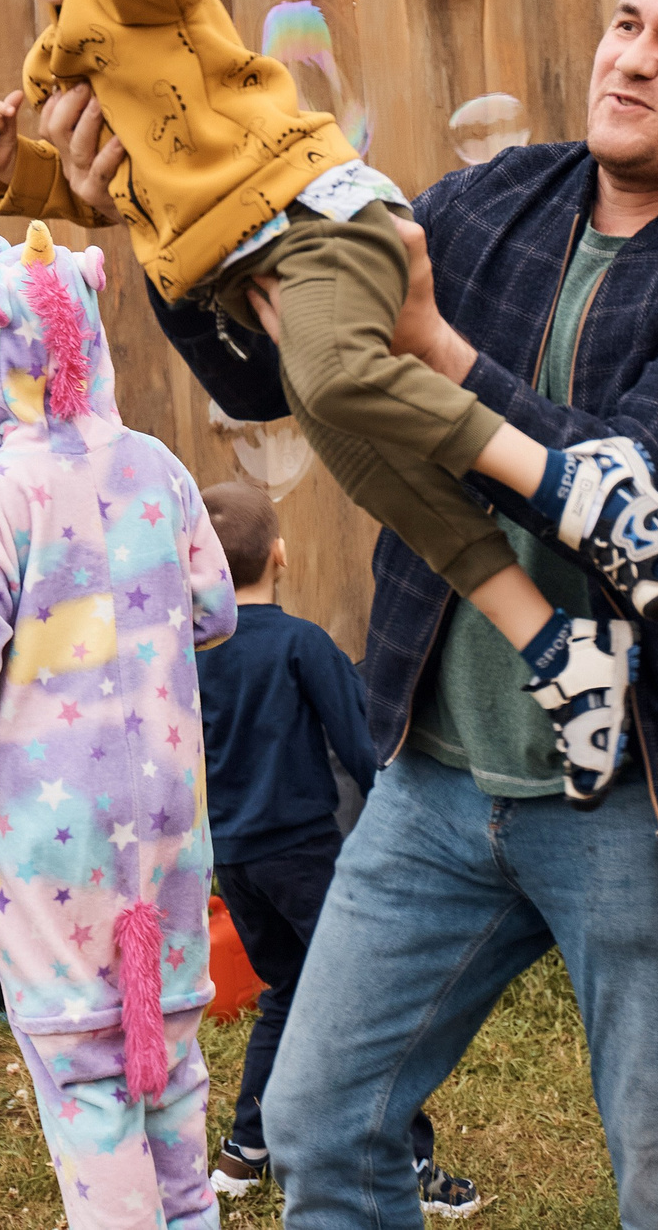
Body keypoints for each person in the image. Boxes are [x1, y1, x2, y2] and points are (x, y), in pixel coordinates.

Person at [162, 0, 658, 1227]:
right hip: (432, 776)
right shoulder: (489, 203)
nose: (632, 58)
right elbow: (273, 371)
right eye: (627, 21)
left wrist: (429, 342)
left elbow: (633, 500)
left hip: (633, 801)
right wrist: (164, 241)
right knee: (320, 1121)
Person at [0, 0, 658, 811]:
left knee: (339, 376)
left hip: (314, 222)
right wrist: (16, 172)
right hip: (252, 272)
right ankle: (561, 652)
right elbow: (120, 193)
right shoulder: (62, 65)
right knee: (382, 478)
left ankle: (589, 495)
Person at [0, 223, 237, 1230]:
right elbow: (214, 610)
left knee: (86, 1082)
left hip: (49, 855)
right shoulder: (160, 471)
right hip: (166, 832)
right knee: (165, 1065)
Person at [194, 482, 477, 1220]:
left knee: (286, 993)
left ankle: (242, 1155)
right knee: (365, 1004)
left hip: (234, 860)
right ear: (280, 554)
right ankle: (410, 1160)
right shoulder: (302, 644)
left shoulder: (183, 655)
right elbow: (365, 747)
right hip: (307, 857)